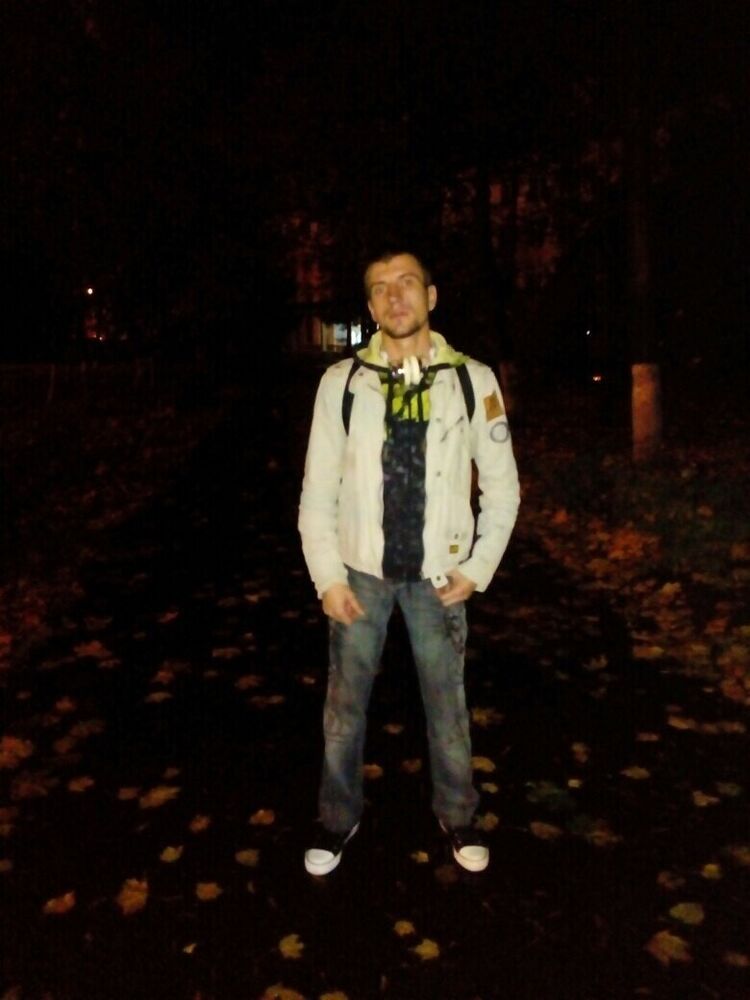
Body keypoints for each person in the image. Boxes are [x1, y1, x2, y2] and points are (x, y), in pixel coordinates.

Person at [298, 249, 520, 876]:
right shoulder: (342, 384)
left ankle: (458, 813)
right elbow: (318, 490)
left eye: (407, 283)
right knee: (344, 711)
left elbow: (502, 487)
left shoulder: (472, 380)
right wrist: (327, 577)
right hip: (359, 575)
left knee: (448, 707)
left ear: (431, 295)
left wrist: (477, 566)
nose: (395, 297)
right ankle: (337, 818)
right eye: (381, 288)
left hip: (438, 579)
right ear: (370, 307)